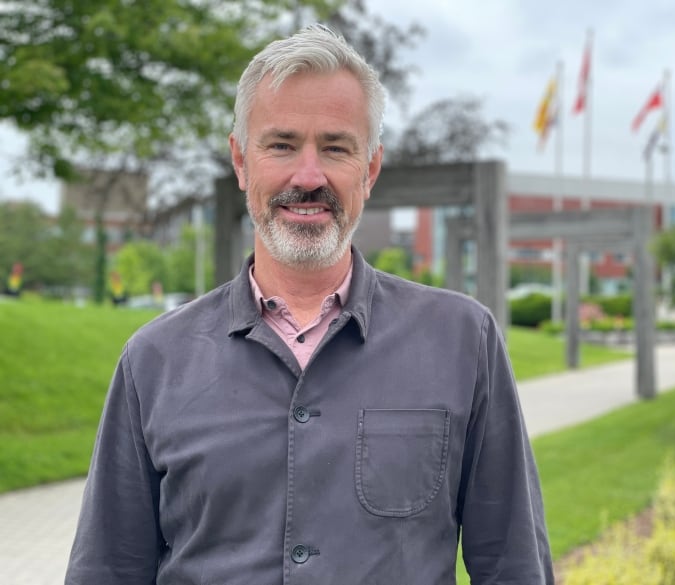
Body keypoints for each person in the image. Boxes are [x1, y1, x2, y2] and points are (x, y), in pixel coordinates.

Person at [65, 24, 553, 585]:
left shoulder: (464, 341)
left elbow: (513, 565)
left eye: (336, 148)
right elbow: (107, 569)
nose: (308, 175)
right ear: (241, 162)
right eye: (281, 145)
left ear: (369, 170)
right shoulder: (153, 361)